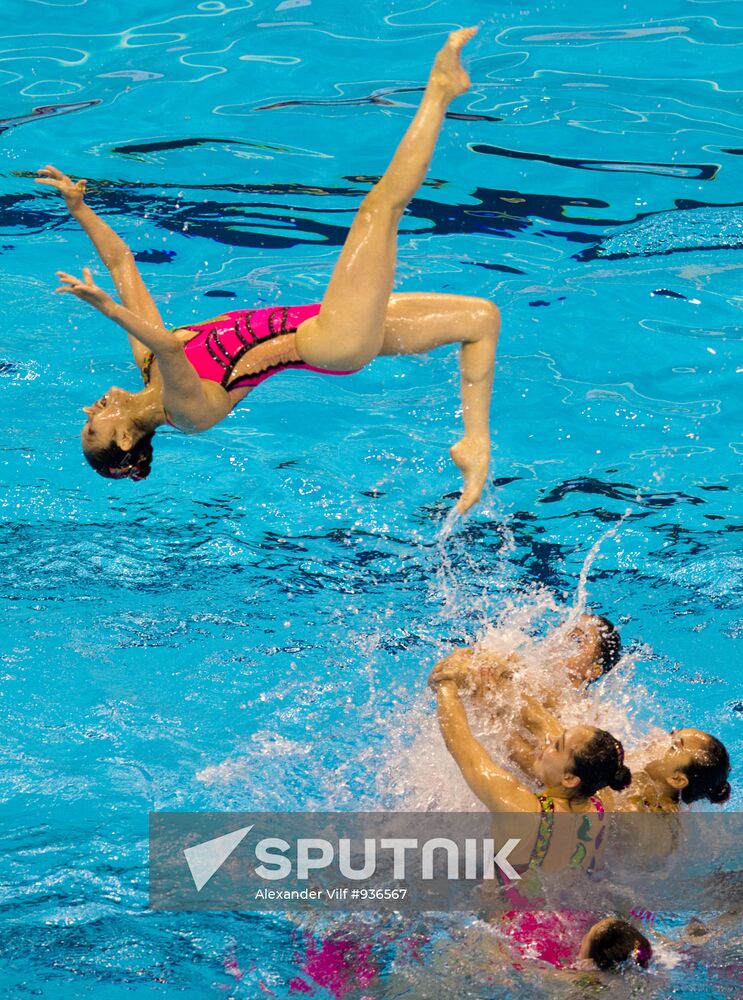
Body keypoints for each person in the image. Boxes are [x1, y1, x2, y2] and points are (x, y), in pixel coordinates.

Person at [35, 28, 499, 510]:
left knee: (481, 320)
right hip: (330, 340)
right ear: (127, 440)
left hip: (324, 320)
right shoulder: (186, 413)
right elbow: (172, 348)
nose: (92, 409)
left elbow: (120, 263)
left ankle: (473, 445)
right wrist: (108, 309)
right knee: (377, 208)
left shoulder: (146, 362)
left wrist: (80, 210)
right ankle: (441, 90)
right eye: (94, 427)